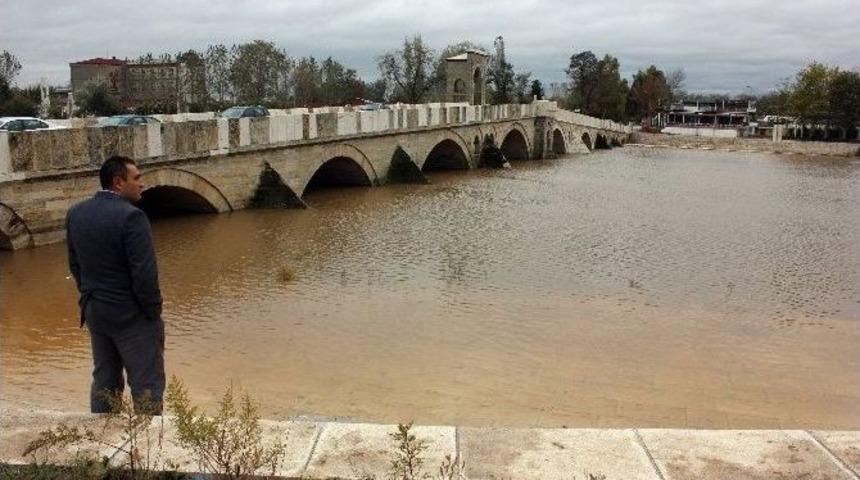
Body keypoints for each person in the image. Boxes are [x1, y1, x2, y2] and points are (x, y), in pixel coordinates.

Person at [66, 155, 164, 414]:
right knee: (146, 383)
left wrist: (91, 296)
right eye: (137, 178)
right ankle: (148, 441)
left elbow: (75, 264)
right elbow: (144, 275)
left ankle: (100, 437)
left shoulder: (76, 213)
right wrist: (152, 313)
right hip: (130, 313)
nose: (142, 184)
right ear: (118, 182)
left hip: (95, 310)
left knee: (105, 379)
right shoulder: (132, 217)